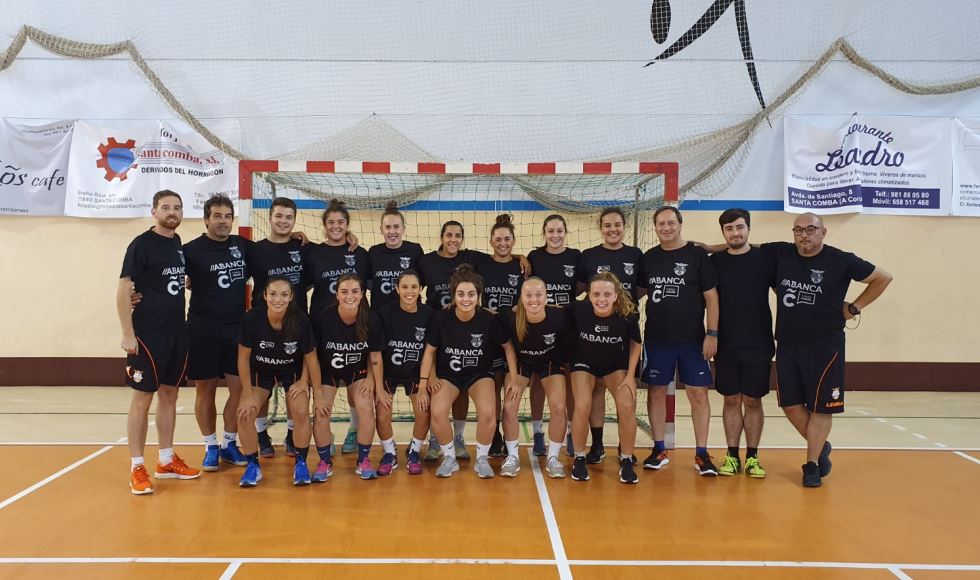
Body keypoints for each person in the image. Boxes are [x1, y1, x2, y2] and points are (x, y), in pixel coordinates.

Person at [771, 213, 892, 487]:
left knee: (821, 408)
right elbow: (745, 248)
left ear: (823, 232)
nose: (804, 235)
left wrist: (854, 308)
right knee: (790, 406)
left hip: (825, 346)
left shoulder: (841, 260)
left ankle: (811, 464)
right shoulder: (781, 254)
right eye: (798, 230)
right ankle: (821, 446)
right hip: (788, 344)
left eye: (811, 229)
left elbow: (883, 278)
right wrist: (707, 248)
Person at [117, 190, 200, 495]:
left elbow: (173, 279)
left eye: (177, 207)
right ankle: (136, 466)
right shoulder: (141, 244)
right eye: (166, 207)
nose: (172, 212)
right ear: (154, 211)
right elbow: (124, 289)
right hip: (148, 335)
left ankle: (166, 459)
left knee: (169, 395)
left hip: (177, 332)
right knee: (142, 398)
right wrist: (127, 332)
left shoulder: (177, 244)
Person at [639, 206, 720, 476]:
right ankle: (659, 448)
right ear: (655, 227)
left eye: (671, 223)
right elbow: (635, 293)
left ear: (680, 224)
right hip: (657, 340)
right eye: (661, 224)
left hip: (693, 341)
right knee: (656, 392)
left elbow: (711, 298)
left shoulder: (697, 255)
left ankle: (701, 454)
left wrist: (712, 333)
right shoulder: (649, 258)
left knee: (698, 394)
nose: (666, 227)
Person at [418, 265, 520, 478]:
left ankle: (481, 459)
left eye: (471, 294)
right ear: (454, 295)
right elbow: (429, 352)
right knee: (437, 413)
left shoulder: (489, 319)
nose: (466, 299)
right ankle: (449, 458)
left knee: (488, 412)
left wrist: (514, 376)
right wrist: (424, 382)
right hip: (448, 375)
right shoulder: (441, 318)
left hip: (479, 374)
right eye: (461, 294)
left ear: (479, 296)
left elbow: (508, 346)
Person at [182, 194, 249, 471]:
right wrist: (137, 294)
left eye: (227, 216)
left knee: (240, 388)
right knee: (205, 391)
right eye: (217, 216)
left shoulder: (242, 246)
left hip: (236, 329)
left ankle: (229, 443)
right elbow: (167, 278)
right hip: (202, 329)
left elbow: (273, 251)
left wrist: (294, 234)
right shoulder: (190, 250)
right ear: (206, 219)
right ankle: (210, 445)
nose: (223, 221)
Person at [235, 277, 320, 487]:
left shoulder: (300, 319)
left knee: (301, 411)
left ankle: (301, 463)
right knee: (244, 413)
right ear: (265, 295)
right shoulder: (252, 319)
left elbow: (311, 357)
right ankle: (252, 465)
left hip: (291, 372)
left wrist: (306, 383)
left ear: (291, 297)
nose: (278, 299)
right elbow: (243, 358)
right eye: (272, 294)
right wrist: (246, 392)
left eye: (283, 294)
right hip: (261, 373)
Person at [710, 208, 775, 478]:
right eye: (729, 229)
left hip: (759, 343)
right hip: (725, 343)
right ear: (723, 232)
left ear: (748, 228)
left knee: (753, 401)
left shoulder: (766, 259)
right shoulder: (714, 263)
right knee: (730, 399)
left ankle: (753, 457)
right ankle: (732, 456)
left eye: (739, 227)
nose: (734, 233)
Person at [244, 197, 311, 459]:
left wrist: (349, 235)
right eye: (279, 216)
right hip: (263, 326)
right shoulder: (254, 250)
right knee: (262, 384)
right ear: (270, 217)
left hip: (295, 326)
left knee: (294, 387)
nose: (283, 221)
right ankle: (261, 433)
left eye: (289, 217)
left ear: (294, 221)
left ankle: (293, 434)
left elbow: (332, 250)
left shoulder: (303, 247)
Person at [576, 207, 644, 463]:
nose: (612, 229)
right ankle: (597, 445)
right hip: (594, 335)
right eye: (607, 225)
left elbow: (641, 287)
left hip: (622, 335)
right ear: (600, 228)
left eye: (617, 224)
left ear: (624, 226)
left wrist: (621, 307)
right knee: (595, 392)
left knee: (624, 397)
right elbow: (582, 289)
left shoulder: (635, 255)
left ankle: (625, 451)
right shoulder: (589, 255)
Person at [306, 199, 372, 455]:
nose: (336, 226)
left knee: (358, 388)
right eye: (331, 222)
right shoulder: (313, 253)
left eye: (341, 222)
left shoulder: (360, 253)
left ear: (348, 225)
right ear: (324, 225)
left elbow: (369, 288)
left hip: (357, 329)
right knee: (324, 386)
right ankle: (326, 434)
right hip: (324, 329)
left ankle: (354, 431)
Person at [568, 272, 643, 484]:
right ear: (589, 295)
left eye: (607, 294)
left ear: (616, 295)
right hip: (584, 364)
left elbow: (636, 344)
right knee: (582, 405)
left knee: (627, 405)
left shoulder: (627, 315)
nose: (602, 299)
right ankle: (579, 458)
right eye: (597, 294)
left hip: (614, 366)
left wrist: (630, 377)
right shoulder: (577, 309)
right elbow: (553, 312)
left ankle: (626, 459)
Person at [311, 274, 385, 480]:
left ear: (362, 294)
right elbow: (312, 356)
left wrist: (374, 381)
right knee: (321, 412)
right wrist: (316, 390)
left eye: (354, 291)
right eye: (344, 291)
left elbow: (375, 355)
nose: (349, 296)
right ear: (337, 294)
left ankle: (363, 460)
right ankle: (324, 461)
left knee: (366, 408)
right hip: (327, 372)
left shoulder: (370, 318)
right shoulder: (324, 318)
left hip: (358, 370)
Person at [498, 277, 571, 478]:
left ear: (547, 297)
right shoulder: (510, 317)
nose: (534, 300)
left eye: (539, 295)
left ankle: (553, 457)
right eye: (528, 295)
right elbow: (485, 315)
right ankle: (512, 456)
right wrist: (513, 377)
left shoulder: (560, 315)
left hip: (549, 363)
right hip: (521, 364)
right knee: (510, 406)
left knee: (558, 406)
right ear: (520, 298)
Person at [527, 214, 581, 456]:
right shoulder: (534, 257)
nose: (555, 235)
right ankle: (538, 433)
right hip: (539, 326)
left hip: (567, 327)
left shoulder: (576, 257)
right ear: (544, 233)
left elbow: (580, 288)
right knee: (539, 379)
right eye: (551, 231)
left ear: (565, 232)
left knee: (567, 381)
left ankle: (569, 432)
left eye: (559, 231)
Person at [473, 214, 523, 457]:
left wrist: (520, 257)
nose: (502, 243)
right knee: (492, 388)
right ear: (491, 241)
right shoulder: (480, 262)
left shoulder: (522, 265)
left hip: (514, 334)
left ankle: (514, 434)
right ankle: (494, 437)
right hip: (489, 336)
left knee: (511, 388)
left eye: (507, 239)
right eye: (498, 239)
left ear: (513, 241)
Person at [377, 270, 435, 475]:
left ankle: (415, 452)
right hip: (389, 373)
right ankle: (389, 454)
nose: (409, 291)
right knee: (383, 414)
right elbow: (376, 353)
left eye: (413, 287)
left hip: (416, 373)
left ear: (421, 289)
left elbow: (432, 350)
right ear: (397, 289)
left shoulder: (428, 314)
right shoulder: (385, 314)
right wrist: (377, 385)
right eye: (404, 287)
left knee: (423, 411)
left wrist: (428, 380)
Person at [368, 201, 425, 312]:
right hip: (380, 314)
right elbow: (369, 283)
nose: (392, 231)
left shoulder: (415, 250)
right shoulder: (374, 252)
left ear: (403, 229)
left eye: (396, 227)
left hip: (409, 313)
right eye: (387, 227)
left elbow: (422, 281)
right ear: (381, 230)